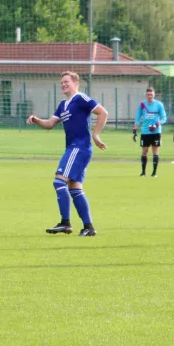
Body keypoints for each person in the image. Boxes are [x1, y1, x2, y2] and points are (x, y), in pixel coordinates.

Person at [26, 71, 108, 237]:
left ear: (75, 83)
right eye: (62, 82)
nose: (63, 84)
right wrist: (36, 120)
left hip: (79, 147)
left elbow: (102, 112)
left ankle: (65, 223)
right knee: (74, 188)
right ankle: (89, 227)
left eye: (66, 82)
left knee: (59, 181)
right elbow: (50, 124)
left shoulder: (81, 98)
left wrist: (96, 134)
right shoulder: (63, 105)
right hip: (74, 148)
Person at [133, 87, 167, 177]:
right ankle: (143, 172)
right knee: (144, 151)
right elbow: (138, 118)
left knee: (155, 151)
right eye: (148, 94)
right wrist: (135, 130)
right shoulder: (142, 105)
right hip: (145, 131)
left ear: (154, 95)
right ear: (145, 95)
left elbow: (164, 118)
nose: (149, 96)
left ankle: (154, 173)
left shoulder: (159, 105)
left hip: (156, 132)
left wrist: (156, 124)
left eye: (151, 94)